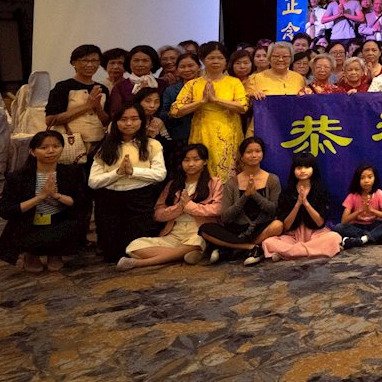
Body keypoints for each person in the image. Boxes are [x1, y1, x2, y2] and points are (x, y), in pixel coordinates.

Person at [0, 131, 90, 272]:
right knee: (34, 263)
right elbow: (6, 210)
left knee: (73, 224)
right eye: (43, 147)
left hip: (58, 220)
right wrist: (40, 197)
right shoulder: (18, 177)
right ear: (33, 152)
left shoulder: (72, 172)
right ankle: (31, 254)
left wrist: (57, 196)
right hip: (30, 222)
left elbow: (80, 203)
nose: (51, 151)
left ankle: (55, 253)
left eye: (56, 146)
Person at [118, 143, 221, 270]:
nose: (191, 164)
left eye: (196, 159)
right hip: (174, 234)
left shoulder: (214, 182)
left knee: (198, 241)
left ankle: (139, 263)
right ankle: (184, 255)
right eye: (186, 160)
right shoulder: (173, 184)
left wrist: (190, 206)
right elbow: (158, 214)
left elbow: (218, 209)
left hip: (199, 231)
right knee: (134, 246)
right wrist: (177, 208)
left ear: (205, 161)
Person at [88, 104, 167, 263]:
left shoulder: (152, 145)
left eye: (134, 119)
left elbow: (160, 174)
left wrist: (133, 172)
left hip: (140, 199)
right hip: (110, 201)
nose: (129, 123)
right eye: (123, 119)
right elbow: (93, 182)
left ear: (142, 121)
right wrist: (117, 173)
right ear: (115, 122)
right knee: (112, 254)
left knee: (137, 248)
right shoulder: (105, 147)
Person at [170, 42, 249, 183]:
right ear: (202, 60)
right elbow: (175, 111)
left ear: (226, 61)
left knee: (229, 175)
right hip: (202, 131)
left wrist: (216, 100)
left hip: (229, 132)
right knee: (203, 174)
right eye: (211, 58)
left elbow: (243, 107)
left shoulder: (234, 82)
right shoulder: (193, 84)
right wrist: (201, 102)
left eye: (220, 58)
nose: (216, 61)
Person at [198, 137, 280, 263]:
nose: (254, 155)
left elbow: (273, 210)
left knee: (278, 225)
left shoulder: (272, 179)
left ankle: (231, 249)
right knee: (205, 229)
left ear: (262, 154)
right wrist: (245, 196)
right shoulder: (232, 183)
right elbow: (225, 217)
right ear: (242, 156)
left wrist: (255, 195)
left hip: (261, 228)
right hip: (237, 229)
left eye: (257, 151)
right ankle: (251, 248)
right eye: (249, 152)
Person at [257, 153, 342, 263]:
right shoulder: (288, 192)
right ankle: (313, 251)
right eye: (299, 167)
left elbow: (320, 223)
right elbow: (286, 226)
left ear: (313, 169)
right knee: (268, 242)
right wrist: (297, 204)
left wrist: (306, 203)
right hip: (292, 236)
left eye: (307, 167)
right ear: (294, 170)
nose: (302, 171)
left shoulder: (321, 190)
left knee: (334, 237)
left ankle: (286, 254)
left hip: (315, 234)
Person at [44, 44, 110, 157]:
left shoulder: (102, 89)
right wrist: (87, 106)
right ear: (73, 63)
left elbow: (106, 122)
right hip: (71, 144)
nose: (90, 64)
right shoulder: (63, 87)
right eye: (85, 60)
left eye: (94, 61)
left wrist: (98, 108)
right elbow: (50, 120)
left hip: (98, 145)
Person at [336, 164, 382, 248]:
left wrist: (372, 210)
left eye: (370, 177)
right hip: (357, 226)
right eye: (362, 178)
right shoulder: (352, 196)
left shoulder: (379, 193)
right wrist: (359, 211)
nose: (366, 181)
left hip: (374, 225)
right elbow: (344, 221)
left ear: (375, 178)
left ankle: (363, 239)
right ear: (357, 180)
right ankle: (377, 236)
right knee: (338, 227)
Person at [108, 44, 161, 121]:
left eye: (145, 61)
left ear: (152, 64)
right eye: (136, 60)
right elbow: (115, 113)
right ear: (129, 63)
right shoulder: (120, 87)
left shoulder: (162, 84)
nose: (140, 64)